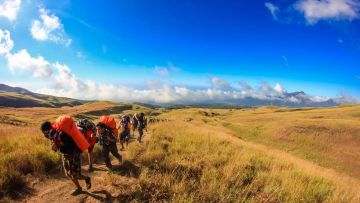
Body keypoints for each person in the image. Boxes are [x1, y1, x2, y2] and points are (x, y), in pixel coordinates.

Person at [40, 121, 91, 195]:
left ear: (47, 130)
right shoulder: (52, 135)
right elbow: (57, 145)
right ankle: (79, 188)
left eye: (44, 132)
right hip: (65, 154)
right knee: (68, 173)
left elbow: (70, 146)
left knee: (76, 174)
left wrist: (58, 147)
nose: (45, 135)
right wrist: (56, 147)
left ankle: (87, 178)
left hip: (73, 154)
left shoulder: (61, 134)